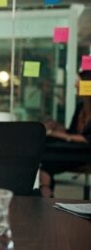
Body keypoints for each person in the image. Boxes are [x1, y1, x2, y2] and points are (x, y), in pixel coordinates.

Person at [39, 70, 91, 198]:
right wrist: (56, 127)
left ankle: (45, 191)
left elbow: (87, 139)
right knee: (46, 148)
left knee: (46, 153)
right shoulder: (80, 107)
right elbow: (71, 132)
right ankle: (46, 191)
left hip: (86, 152)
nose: (75, 85)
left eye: (78, 82)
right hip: (73, 149)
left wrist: (57, 134)